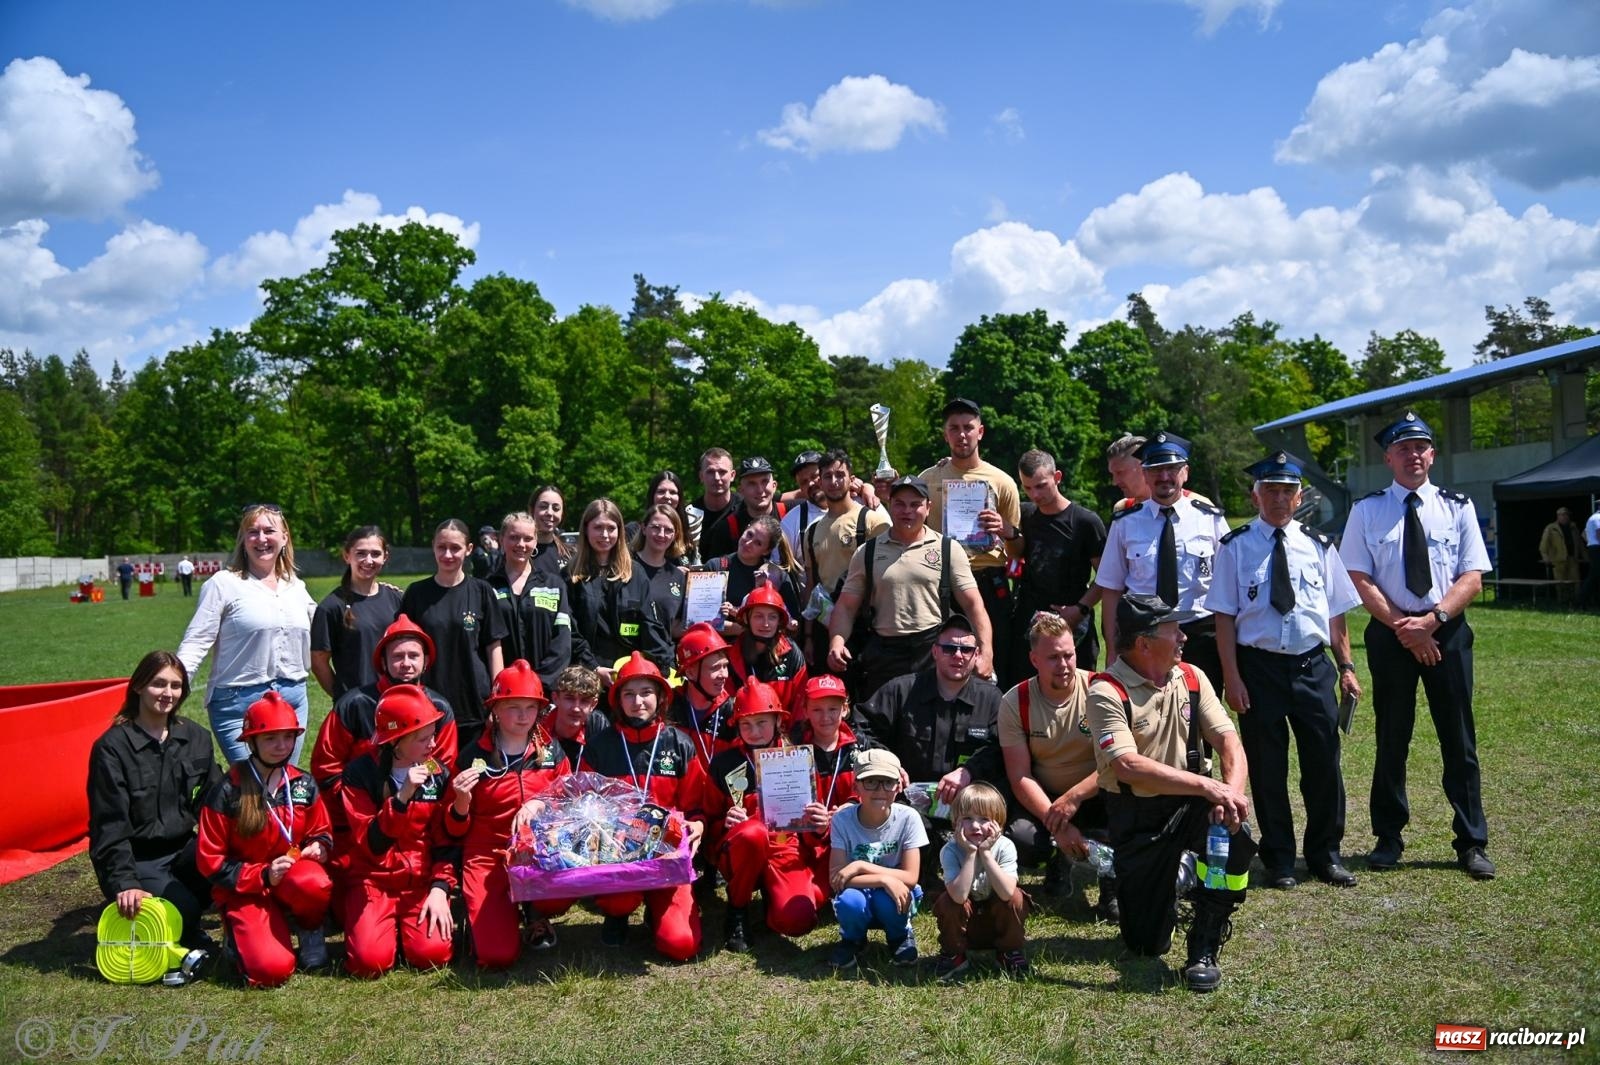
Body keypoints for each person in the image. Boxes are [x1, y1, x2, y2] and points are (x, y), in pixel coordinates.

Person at [1340, 411, 1495, 880]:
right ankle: (1388, 838)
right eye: (1403, 448)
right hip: (1391, 636)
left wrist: (1432, 621)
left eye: (1422, 447)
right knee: (1392, 738)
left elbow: (1473, 576)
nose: (1414, 455)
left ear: (1433, 454)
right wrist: (1403, 628)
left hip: (1446, 631)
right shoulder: (1367, 510)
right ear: (1388, 457)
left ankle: (1471, 842)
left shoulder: (1457, 506)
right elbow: (1358, 576)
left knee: (1459, 740)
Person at [1086, 593, 1255, 993]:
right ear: (1144, 643)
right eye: (1172, 630)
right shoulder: (1105, 691)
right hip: (1137, 813)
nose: (1183, 636)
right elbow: (1127, 765)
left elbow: (1230, 741)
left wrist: (1228, 796)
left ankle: (1205, 942)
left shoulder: (1193, 676)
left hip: (1194, 803)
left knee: (1235, 841)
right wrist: (1206, 785)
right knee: (1146, 943)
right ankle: (1175, 879)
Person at [1212, 453, 1363, 889]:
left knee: (1323, 764)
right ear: (1256, 495)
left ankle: (1325, 854)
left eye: (1286, 491)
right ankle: (1278, 858)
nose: (1278, 498)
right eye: (1270, 490)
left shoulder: (1319, 545)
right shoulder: (1235, 547)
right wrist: (1232, 677)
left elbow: (1336, 615)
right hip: (1258, 669)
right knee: (1267, 766)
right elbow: (1223, 617)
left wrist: (1347, 666)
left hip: (1312, 667)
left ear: (1299, 497)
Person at [196, 692, 334, 987]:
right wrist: (261, 875)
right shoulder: (227, 790)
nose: (281, 746)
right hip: (245, 888)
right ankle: (239, 937)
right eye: (271, 738)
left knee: (315, 882)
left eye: (288, 737)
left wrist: (320, 846)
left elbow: (321, 829)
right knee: (272, 970)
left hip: (290, 877)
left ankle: (309, 929)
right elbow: (210, 861)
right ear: (252, 741)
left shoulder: (302, 783)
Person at [311, 615, 459, 891]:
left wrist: (411, 801)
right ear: (383, 661)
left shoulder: (440, 707)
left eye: (414, 655)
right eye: (398, 656)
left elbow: (443, 767)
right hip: (358, 825)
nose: (406, 663)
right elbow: (326, 768)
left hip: (420, 827)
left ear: (426, 660)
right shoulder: (354, 704)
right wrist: (364, 802)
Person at [88, 651, 218, 952]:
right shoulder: (112, 748)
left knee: (233, 874)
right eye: (159, 684)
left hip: (184, 848)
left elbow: (215, 801)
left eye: (176, 685)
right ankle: (178, 919)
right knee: (184, 910)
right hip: (138, 857)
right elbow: (108, 825)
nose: (168, 693)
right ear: (138, 686)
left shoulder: (196, 737)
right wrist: (125, 882)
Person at [581, 652, 705, 961]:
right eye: (629, 693)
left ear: (661, 697)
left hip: (668, 854)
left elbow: (698, 804)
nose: (638, 701)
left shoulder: (679, 743)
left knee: (681, 944)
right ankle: (618, 913)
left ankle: (658, 908)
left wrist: (699, 823)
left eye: (646, 692)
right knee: (620, 899)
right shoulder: (600, 746)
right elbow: (583, 803)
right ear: (618, 700)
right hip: (618, 853)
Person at [446, 660, 570, 966]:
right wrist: (461, 801)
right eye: (513, 707)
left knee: (564, 892)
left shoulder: (551, 750)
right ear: (495, 710)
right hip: (488, 855)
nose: (523, 716)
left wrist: (540, 802)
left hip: (539, 850)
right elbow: (452, 829)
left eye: (530, 707)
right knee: (496, 955)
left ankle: (535, 911)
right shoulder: (472, 755)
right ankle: (486, 915)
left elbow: (569, 800)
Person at [178, 504, 317, 766]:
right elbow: (196, 642)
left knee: (282, 786)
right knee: (253, 790)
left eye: (269, 531)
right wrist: (174, 688)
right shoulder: (223, 584)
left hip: (292, 702)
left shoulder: (296, 587)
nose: (261, 539)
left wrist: (375, 593)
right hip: (238, 706)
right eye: (253, 532)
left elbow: (328, 628)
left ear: (284, 538)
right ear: (243, 540)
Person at [827, 475, 989, 699]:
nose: (907, 511)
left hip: (932, 651)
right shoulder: (867, 552)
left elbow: (973, 605)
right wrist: (836, 642)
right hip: (884, 653)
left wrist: (986, 653)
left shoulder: (948, 548)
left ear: (928, 507)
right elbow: (846, 607)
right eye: (900, 504)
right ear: (889, 505)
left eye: (915, 504)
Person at [997, 612, 1115, 919]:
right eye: (1053, 658)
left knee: (1126, 809)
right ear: (1034, 660)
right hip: (1045, 799)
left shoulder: (1100, 691)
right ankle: (1057, 858)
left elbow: (1116, 762)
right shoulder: (1015, 701)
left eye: (1068, 655)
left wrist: (1074, 798)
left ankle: (1113, 884)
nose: (1063, 665)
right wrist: (1057, 822)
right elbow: (1020, 776)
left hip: (1096, 791)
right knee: (1022, 839)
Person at [1096, 432, 1230, 695]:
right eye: (1156, 469)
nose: (1164, 477)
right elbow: (1111, 589)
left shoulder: (1209, 519)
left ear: (1186, 473)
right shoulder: (1125, 523)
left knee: (1201, 717)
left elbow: (1229, 586)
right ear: (1144, 474)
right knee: (1146, 713)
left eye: (1171, 468)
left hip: (1200, 635)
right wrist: (1113, 648)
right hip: (1144, 634)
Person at [339, 684, 457, 977]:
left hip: (419, 881)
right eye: (422, 739)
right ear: (396, 741)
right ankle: (384, 930)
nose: (433, 745)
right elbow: (371, 844)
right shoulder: (360, 774)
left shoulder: (438, 773)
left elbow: (447, 840)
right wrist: (402, 798)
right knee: (368, 963)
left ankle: (405, 932)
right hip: (372, 881)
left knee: (433, 955)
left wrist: (440, 888)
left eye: (433, 735)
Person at [698, 682, 824, 950]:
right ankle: (738, 909)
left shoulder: (798, 758)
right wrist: (725, 822)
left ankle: (772, 897)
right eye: (746, 725)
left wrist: (817, 823)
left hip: (784, 847)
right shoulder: (724, 763)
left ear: (778, 720)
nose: (754, 732)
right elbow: (708, 821)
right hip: (741, 847)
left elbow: (814, 830)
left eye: (762, 723)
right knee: (753, 834)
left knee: (798, 920)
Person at [855, 612, 1002, 812]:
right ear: (934, 652)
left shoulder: (992, 700)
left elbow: (1002, 749)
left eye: (966, 649)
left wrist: (969, 771)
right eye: (949, 648)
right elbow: (859, 728)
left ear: (976, 655)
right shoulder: (901, 690)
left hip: (969, 810)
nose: (958, 655)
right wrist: (888, 766)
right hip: (905, 805)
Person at [919, 398, 1023, 672]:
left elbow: (1018, 553)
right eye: (954, 428)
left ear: (981, 431)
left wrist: (1007, 530)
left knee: (994, 660)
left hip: (989, 580)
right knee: (942, 662)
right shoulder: (929, 478)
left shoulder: (1002, 482)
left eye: (968, 427)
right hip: (942, 582)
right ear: (945, 435)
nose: (961, 434)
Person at [999, 448, 1106, 683]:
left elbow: (1106, 577)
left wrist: (1080, 610)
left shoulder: (1085, 522)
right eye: (1027, 488)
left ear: (1057, 477)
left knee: (1078, 696)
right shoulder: (1025, 515)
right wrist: (1010, 534)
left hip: (1072, 627)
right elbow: (1016, 555)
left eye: (1041, 486)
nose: (1035, 494)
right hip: (1029, 624)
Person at [400, 519, 508, 753]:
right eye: (441, 547)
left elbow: (494, 647)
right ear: (433, 547)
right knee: (431, 778)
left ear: (468, 549)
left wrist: (497, 701)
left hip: (474, 704)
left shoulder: (481, 591)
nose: (448, 554)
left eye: (455, 548)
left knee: (474, 776)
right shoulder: (416, 593)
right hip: (429, 704)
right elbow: (404, 649)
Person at [828, 747, 927, 970]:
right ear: (856, 787)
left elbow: (911, 877)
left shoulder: (908, 818)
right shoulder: (842, 820)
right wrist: (883, 879)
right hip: (860, 892)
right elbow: (836, 877)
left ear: (898, 787)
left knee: (888, 899)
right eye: (871, 781)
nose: (880, 790)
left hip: (893, 894)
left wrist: (860, 865)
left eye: (887, 782)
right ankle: (853, 938)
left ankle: (899, 935)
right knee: (850, 902)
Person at [801, 448, 890, 670]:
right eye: (827, 476)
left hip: (867, 625)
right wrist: (809, 636)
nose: (834, 481)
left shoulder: (873, 521)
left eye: (840, 475)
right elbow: (812, 586)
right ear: (819, 482)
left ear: (851, 480)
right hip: (826, 625)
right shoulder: (811, 532)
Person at [933, 782, 1029, 981]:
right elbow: (958, 897)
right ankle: (954, 953)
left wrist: (985, 853)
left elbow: (1006, 893)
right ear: (955, 823)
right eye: (967, 818)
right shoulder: (950, 850)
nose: (975, 826)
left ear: (998, 824)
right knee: (947, 900)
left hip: (997, 921)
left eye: (984, 819)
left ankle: (1008, 951)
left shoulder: (1005, 847)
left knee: (1016, 898)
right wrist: (969, 855)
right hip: (966, 925)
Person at [791, 674, 865, 904]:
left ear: (845, 709)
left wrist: (850, 807)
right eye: (817, 710)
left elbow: (871, 792)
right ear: (805, 710)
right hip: (803, 843)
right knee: (808, 900)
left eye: (833, 709)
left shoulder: (859, 747)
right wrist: (813, 822)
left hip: (847, 840)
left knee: (823, 894)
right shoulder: (792, 748)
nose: (825, 717)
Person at [567, 498, 653, 686]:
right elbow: (569, 631)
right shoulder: (570, 576)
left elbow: (650, 626)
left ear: (620, 531)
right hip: (585, 676)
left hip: (630, 676)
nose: (605, 534)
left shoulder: (636, 574)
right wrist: (593, 668)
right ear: (586, 529)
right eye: (598, 527)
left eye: (611, 528)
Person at [310, 526, 403, 699]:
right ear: (347, 556)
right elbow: (318, 662)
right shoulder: (331, 607)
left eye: (375, 554)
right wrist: (343, 698)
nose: (368, 560)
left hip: (397, 700)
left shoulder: (397, 599)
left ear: (385, 557)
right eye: (361, 553)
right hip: (358, 705)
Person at [489, 511, 575, 693]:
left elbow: (562, 642)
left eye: (527, 538)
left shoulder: (554, 585)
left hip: (545, 691)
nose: (521, 544)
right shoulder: (486, 587)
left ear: (535, 541)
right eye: (514, 537)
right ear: (502, 539)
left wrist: (538, 684)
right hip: (503, 693)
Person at [706, 515, 805, 631]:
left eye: (758, 543)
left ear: (766, 551)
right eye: (749, 534)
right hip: (721, 644)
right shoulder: (715, 567)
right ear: (746, 528)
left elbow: (792, 624)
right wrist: (742, 629)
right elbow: (701, 620)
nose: (748, 543)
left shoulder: (776, 576)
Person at [725, 585, 808, 715]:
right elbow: (726, 705)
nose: (766, 624)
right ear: (747, 618)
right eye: (758, 616)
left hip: (782, 731)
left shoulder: (792, 653)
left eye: (772, 617)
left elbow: (800, 707)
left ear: (779, 621)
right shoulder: (732, 654)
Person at [667, 622, 738, 768]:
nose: (724, 674)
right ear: (690, 672)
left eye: (725, 666)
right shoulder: (668, 707)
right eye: (715, 668)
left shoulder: (734, 711)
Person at [636, 504, 692, 672]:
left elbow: (673, 627)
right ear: (644, 528)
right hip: (630, 658)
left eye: (668, 530)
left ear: (675, 535)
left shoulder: (678, 576)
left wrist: (711, 621)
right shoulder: (626, 566)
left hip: (663, 663)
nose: (661, 534)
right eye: (655, 528)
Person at [701, 456, 788, 561]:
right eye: (752, 484)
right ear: (741, 490)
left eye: (764, 481)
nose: (760, 490)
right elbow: (715, 573)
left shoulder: (792, 514)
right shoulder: (726, 529)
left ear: (774, 486)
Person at [546, 665, 608, 769]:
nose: (576, 708)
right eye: (569, 698)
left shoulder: (597, 725)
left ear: (593, 705)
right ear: (555, 698)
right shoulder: (539, 726)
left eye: (584, 701)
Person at [690, 448, 737, 563]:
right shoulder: (690, 514)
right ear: (701, 476)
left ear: (732, 475)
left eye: (722, 472)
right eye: (710, 472)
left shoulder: (745, 509)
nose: (717, 478)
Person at [778, 450, 826, 559]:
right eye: (804, 482)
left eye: (815, 476)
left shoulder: (855, 504)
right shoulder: (791, 522)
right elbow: (778, 565)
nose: (810, 483)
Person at [528, 485, 574, 580]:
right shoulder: (520, 552)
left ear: (562, 514)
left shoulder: (570, 555)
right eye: (543, 507)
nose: (549, 513)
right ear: (532, 510)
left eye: (556, 508)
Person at [1539, 506, 1581, 601]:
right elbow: (1543, 545)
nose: (1564, 517)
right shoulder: (1551, 528)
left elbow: (1580, 544)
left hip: (1572, 559)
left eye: (1566, 515)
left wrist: (1586, 556)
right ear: (1558, 516)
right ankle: (1562, 601)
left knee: (1575, 581)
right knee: (1560, 582)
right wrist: (1545, 557)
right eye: (1562, 515)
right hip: (1558, 560)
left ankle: (1576, 600)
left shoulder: (1573, 527)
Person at [1584, 503, 1600, 609]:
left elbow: (1583, 534)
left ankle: (1585, 600)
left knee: (1595, 576)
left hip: (1593, 548)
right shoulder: (1598, 518)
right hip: (1597, 548)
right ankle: (1581, 600)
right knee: (1594, 576)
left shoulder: (1592, 517)